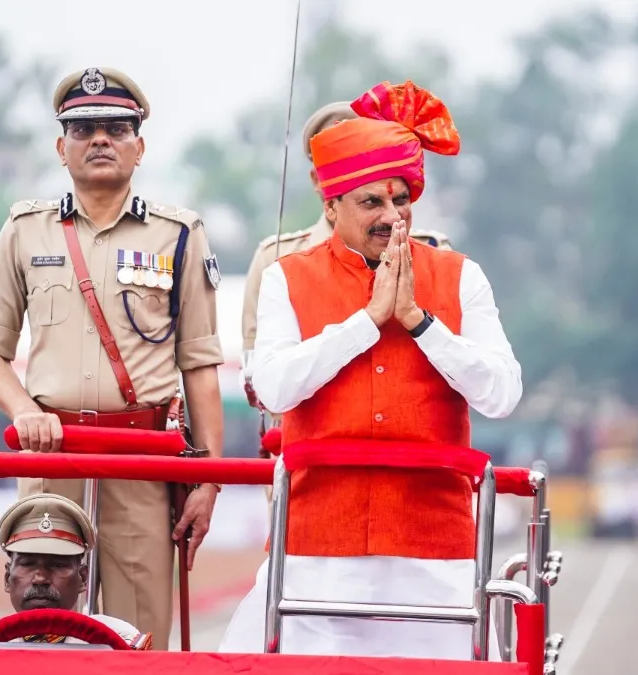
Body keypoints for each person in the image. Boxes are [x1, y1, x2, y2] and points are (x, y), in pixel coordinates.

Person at [218, 80, 522, 659]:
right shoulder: (288, 276)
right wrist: (367, 322)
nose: (391, 216)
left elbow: (502, 393)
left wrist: (418, 321)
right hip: (317, 548)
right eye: (371, 202)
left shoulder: (461, 276)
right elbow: (276, 385)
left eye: (400, 199)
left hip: (436, 548)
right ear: (330, 205)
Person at [0, 66, 226, 648]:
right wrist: (22, 411)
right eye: (83, 130)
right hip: (51, 459)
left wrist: (208, 480)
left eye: (115, 127)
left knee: (140, 634)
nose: (100, 140)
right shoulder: (25, 230)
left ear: (139, 145)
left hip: (145, 462)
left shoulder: (179, 235)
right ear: (62, 148)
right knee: (41, 627)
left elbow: (201, 365)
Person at [241, 100, 454, 356]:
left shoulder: (434, 251)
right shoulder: (276, 259)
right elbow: (259, 372)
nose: (390, 216)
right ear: (317, 181)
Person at [0, 493, 156, 649]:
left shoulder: (120, 642)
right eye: (27, 564)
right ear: (7, 578)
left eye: (57, 565)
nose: (40, 578)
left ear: (82, 578)